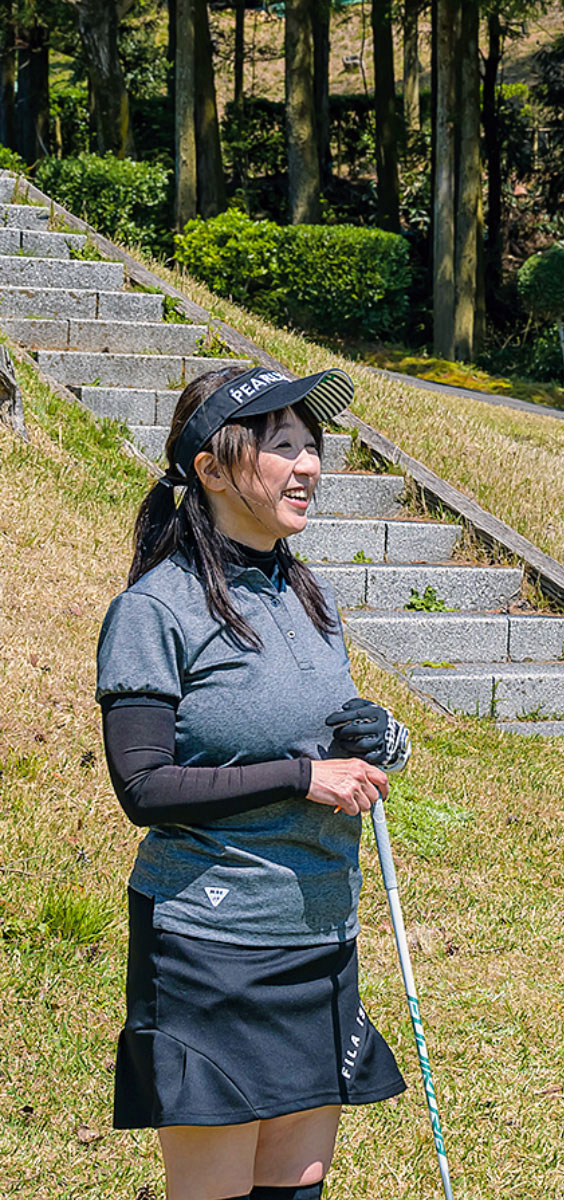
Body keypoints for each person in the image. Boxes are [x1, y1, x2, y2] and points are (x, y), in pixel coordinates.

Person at [97, 365, 414, 1200]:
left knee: (296, 1190)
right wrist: (300, 776)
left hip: (320, 933)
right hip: (212, 948)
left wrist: (380, 735)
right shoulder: (156, 610)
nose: (308, 465)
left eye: (312, 447)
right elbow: (143, 787)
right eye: (281, 447)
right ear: (211, 468)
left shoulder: (307, 595)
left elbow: (333, 727)